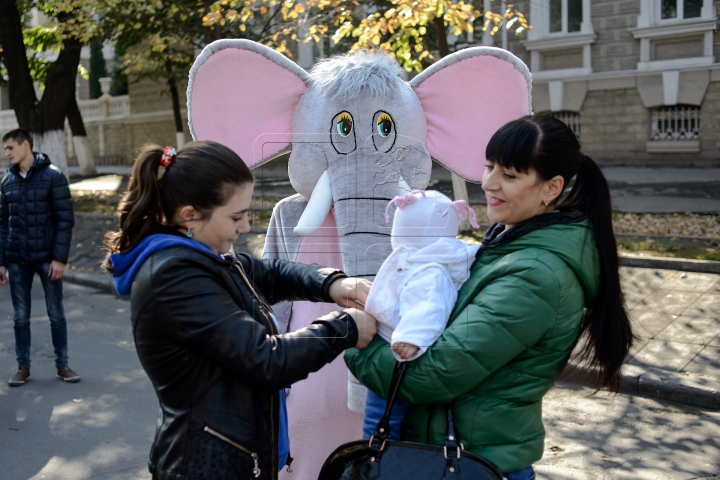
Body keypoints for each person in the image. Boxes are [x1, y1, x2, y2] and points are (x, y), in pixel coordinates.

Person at [345, 115, 634, 480]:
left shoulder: (535, 276)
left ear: (551, 188)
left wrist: (358, 343)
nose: (489, 183)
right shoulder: (508, 244)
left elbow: (430, 376)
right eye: (489, 166)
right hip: (449, 457)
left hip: (470, 465)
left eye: (509, 176)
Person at [102, 141, 376, 480]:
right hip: (206, 468)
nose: (246, 227)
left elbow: (271, 273)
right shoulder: (174, 277)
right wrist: (345, 327)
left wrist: (333, 283)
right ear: (189, 215)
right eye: (236, 216)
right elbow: (264, 359)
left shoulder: (205, 255)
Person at [361, 190, 480, 440]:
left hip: (400, 350)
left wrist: (411, 338)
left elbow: (428, 307)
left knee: (380, 421)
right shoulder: (422, 260)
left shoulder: (430, 271)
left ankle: (372, 466)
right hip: (393, 344)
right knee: (386, 418)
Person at [1, 128, 77, 386]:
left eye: (10, 148)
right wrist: (1, 261)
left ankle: (62, 364)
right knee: (20, 315)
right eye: (5, 149)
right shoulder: (6, 182)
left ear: (25, 146)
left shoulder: (53, 177)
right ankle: (23, 368)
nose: (7, 153)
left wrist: (59, 258)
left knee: (56, 313)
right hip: (17, 258)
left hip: (47, 257)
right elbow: (2, 224)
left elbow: (64, 220)